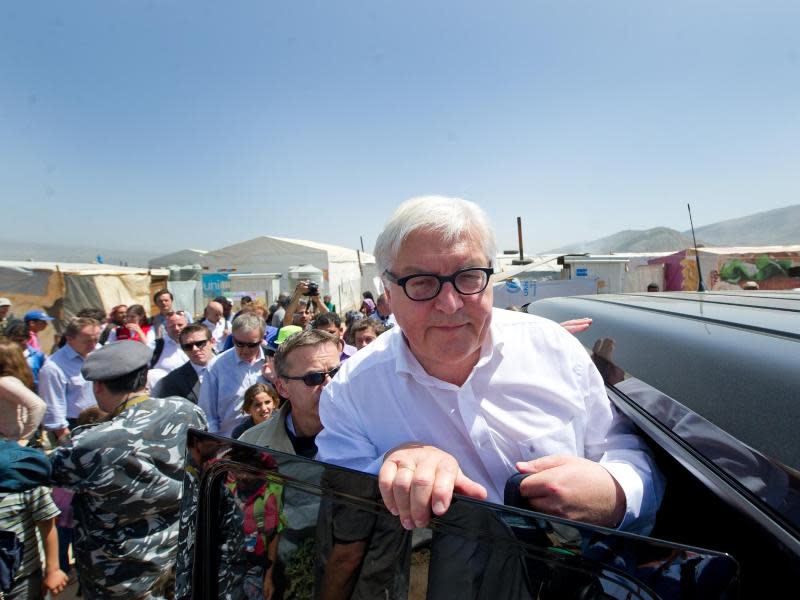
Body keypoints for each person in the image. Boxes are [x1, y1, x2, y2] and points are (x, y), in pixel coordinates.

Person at [316, 195, 664, 537]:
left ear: (491, 279)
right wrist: (391, 472)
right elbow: (343, 514)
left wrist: (615, 492)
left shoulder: (556, 349)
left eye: (468, 276)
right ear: (387, 295)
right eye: (421, 282)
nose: (450, 304)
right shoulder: (349, 394)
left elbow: (623, 450)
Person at [48, 340, 207, 599]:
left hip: (121, 578)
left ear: (98, 386)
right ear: (144, 377)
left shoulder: (89, 444)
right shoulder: (187, 411)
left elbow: (37, 470)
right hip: (180, 563)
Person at [199, 313, 267, 437]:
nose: (245, 350)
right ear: (233, 338)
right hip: (230, 443)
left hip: (269, 439)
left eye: (252, 345)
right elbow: (207, 414)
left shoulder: (273, 362)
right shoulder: (216, 367)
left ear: (262, 339)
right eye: (239, 343)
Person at [38, 317, 100, 442]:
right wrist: (64, 435)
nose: (93, 345)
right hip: (74, 426)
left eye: (96, 339)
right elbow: (53, 404)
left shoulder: (97, 352)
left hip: (101, 420)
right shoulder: (53, 367)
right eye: (87, 341)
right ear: (69, 338)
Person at [152, 323, 216, 404]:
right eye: (188, 346)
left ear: (212, 342)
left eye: (200, 343)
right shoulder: (173, 380)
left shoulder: (231, 365)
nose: (195, 349)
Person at [0, 340, 46, 442]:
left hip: (10, 444)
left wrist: (23, 440)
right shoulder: (10, 380)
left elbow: (38, 406)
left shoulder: (4, 382)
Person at [3, 320, 47, 391]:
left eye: (20, 340)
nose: (17, 344)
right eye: (14, 340)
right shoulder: (4, 355)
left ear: (28, 339)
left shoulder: (38, 356)